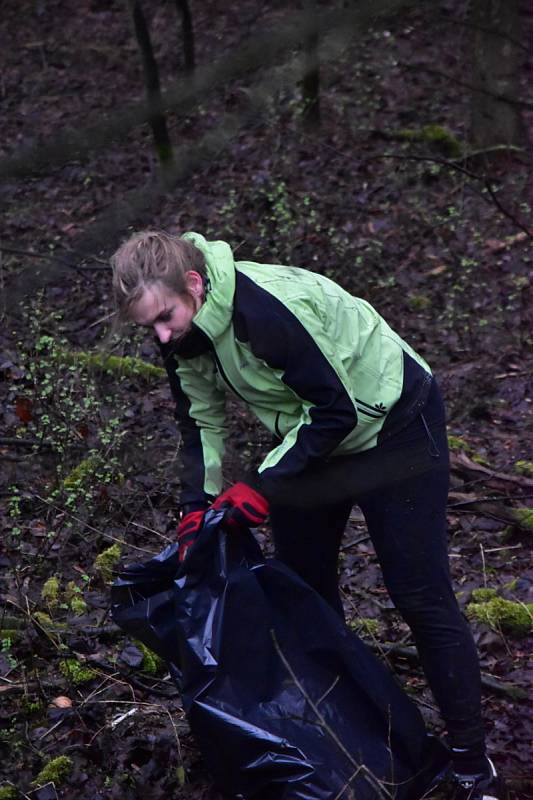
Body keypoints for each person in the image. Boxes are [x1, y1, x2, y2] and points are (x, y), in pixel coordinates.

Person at [111, 230, 508, 800]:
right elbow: (199, 419)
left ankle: (473, 765)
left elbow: (337, 410)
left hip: (393, 426)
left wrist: (262, 485)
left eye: (166, 317)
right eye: (149, 326)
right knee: (306, 596)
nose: (162, 334)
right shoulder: (182, 331)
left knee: (418, 591)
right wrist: (197, 506)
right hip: (315, 437)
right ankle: (354, 747)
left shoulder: (264, 308)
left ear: (194, 284)